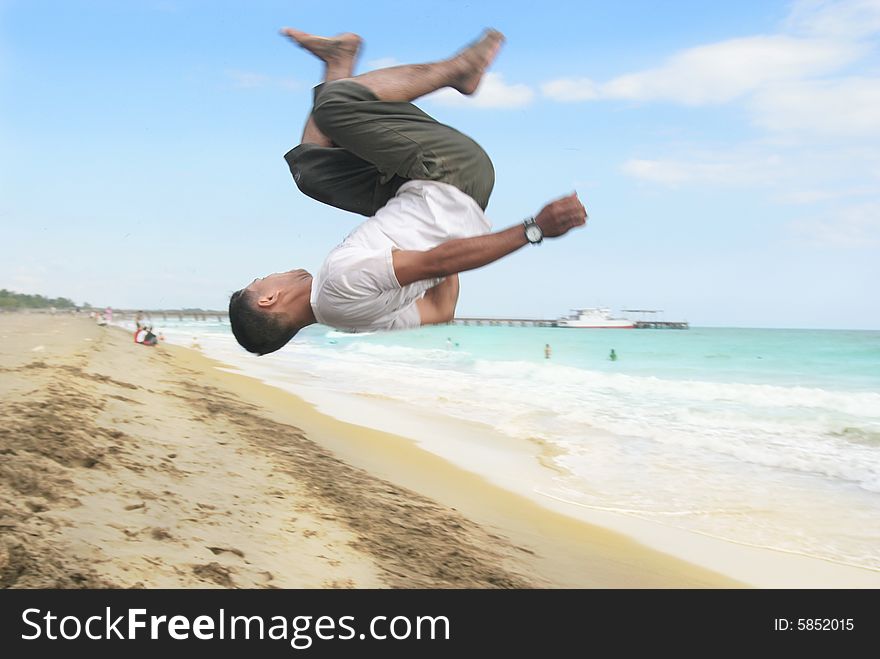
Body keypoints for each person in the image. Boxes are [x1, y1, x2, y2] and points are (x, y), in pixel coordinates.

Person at [229, 28, 588, 356]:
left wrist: (447, 235)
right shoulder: (339, 281)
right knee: (336, 106)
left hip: (425, 191)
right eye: (259, 281)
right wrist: (534, 228)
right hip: (450, 172)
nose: (267, 275)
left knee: (311, 172)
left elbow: (440, 310)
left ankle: (339, 59)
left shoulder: (348, 321)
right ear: (269, 298)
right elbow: (436, 261)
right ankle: (461, 70)